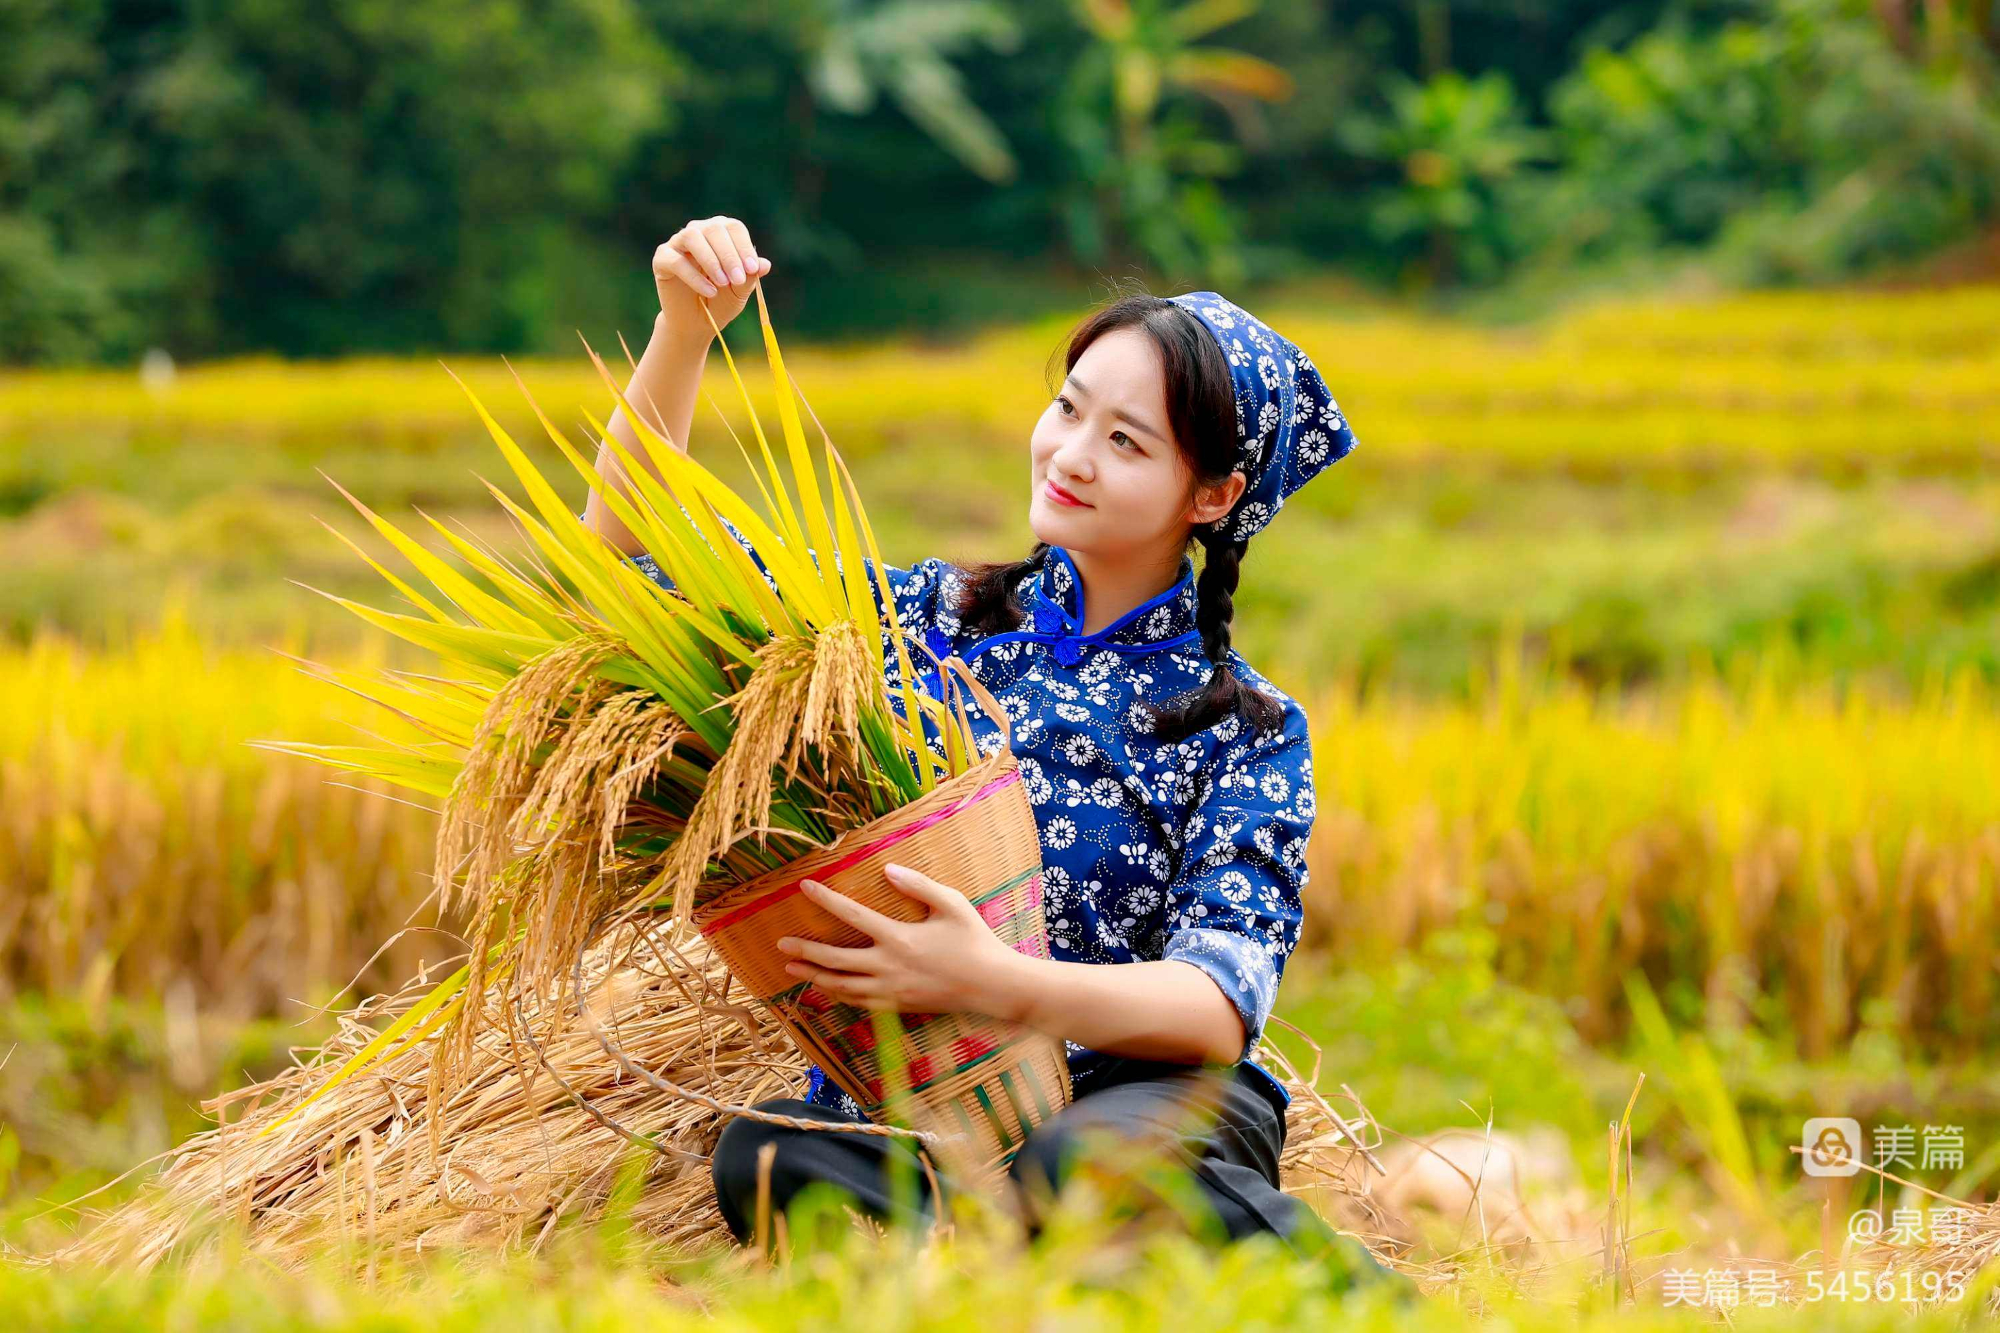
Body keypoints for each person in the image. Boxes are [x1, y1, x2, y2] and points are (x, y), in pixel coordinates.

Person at [581, 217, 1399, 1291]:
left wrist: (996, 982)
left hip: (1142, 1101)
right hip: (939, 1094)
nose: (1068, 454)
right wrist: (683, 327)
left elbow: (1217, 1000)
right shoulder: (927, 616)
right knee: (771, 1151)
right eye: (1068, 409)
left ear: (1212, 498)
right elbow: (633, 558)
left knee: (1078, 1163)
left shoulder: (1243, 725)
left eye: (1125, 441)